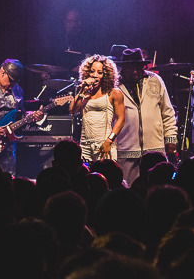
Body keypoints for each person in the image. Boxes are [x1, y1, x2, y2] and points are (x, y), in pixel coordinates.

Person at [115, 48, 178, 186]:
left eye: (138, 68)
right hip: (126, 149)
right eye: (131, 68)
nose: (135, 72)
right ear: (123, 68)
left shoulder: (155, 80)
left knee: (158, 189)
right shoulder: (115, 85)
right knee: (129, 189)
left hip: (154, 149)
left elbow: (167, 112)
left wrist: (171, 138)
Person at [71, 54, 125, 163]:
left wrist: (109, 141)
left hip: (104, 144)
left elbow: (121, 119)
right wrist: (82, 91)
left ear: (105, 75)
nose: (95, 75)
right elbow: (72, 110)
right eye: (92, 71)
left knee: (105, 173)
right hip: (85, 145)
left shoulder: (114, 93)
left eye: (99, 72)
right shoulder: (85, 94)